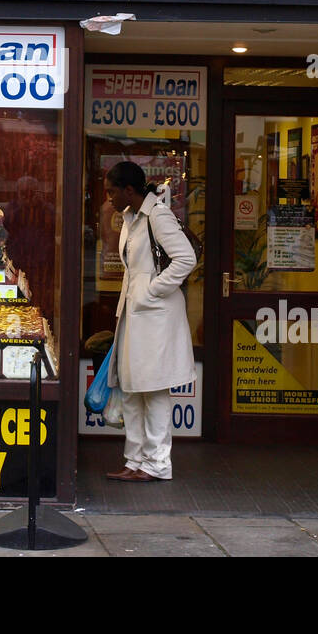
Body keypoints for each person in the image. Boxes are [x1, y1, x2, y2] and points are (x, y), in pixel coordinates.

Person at [103, 161, 196, 483]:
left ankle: (157, 464)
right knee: (130, 389)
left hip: (153, 315)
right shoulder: (131, 216)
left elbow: (186, 258)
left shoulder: (158, 215)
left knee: (153, 390)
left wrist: (153, 289)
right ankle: (134, 460)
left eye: (112, 191)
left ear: (129, 189)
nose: (109, 197)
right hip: (135, 313)